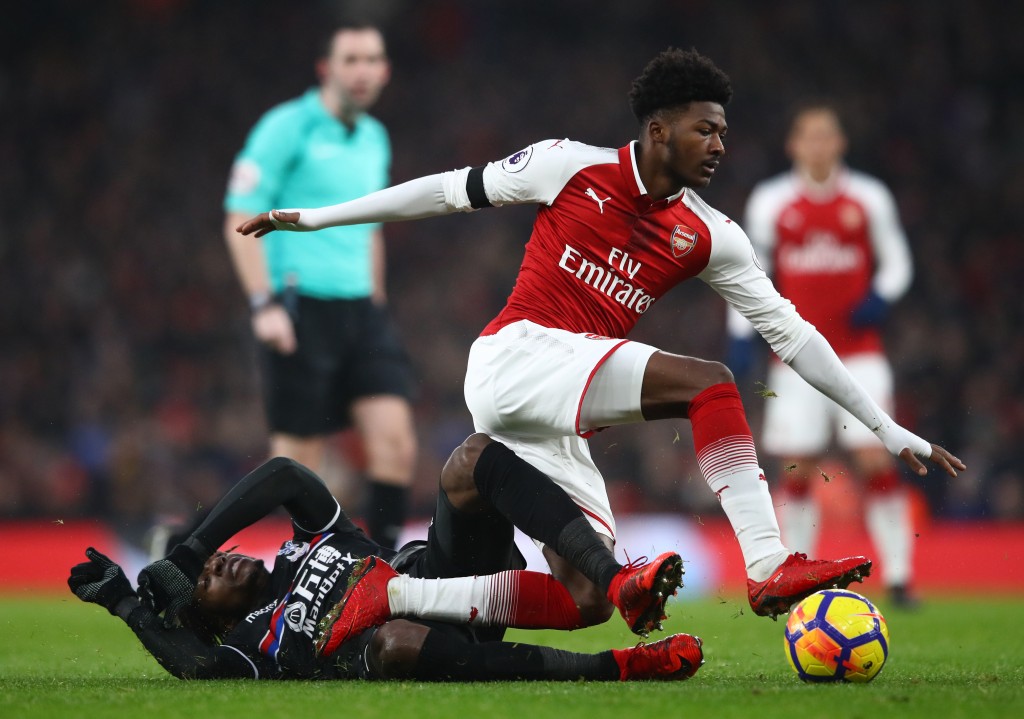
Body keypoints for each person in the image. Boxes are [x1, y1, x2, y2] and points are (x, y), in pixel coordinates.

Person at [235, 47, 965, 621]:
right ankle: (768, 563)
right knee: (708, 382)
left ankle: (386, 596)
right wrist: (316, 216)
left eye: (723, 130)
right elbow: (442, 191)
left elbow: (795, 335)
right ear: (658, 129)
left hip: (554, 406)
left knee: (588, 599)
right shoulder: (569, 166)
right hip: (513, 356)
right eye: (703, 127)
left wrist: (884, 426)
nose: (718, 144)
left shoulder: (711, 235)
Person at [68, 456, 702, 681]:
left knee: (467, 461)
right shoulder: (248, 646)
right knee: (393, 644)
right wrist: (127, 605)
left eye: (210, 559)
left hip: (456, 571)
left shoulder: (305, 542)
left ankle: (617, 580)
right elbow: (195, 666)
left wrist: (183, 555)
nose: (220, 560)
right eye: (205, 578)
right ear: (206, 615)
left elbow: (287, 474)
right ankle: (615, 666)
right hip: (429, 645)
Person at [223, 23, 415, 549]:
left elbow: (370, 226)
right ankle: (290, 568)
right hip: (298, 306)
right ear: (325, 69)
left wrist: (375, 300)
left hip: (361, 311)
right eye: (350, 59)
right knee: (299, 464)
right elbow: (239, 215)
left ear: (385, 71)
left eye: (372, 59)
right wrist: (263, 304)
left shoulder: (375, 138)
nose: (362, 70)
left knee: (395, 442)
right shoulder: (286, 127)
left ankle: (387, 570)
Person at [725, 103, 920, 607]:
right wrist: (741, 333)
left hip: (859, 353)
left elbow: (897, 261)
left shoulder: (867, 198)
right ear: (793, 145)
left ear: (840, 144)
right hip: (793, 358)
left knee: (876, 457)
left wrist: (881, 296)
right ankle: (800, 575)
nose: (817, 145)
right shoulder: (771, 202)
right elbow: (750, 271)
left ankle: (899, 578)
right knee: (797, 466)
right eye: (807, 136)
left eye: (825, 136)